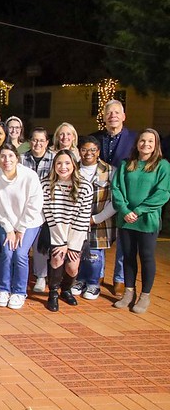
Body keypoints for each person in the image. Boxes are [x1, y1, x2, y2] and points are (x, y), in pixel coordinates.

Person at [111, 129, 170, 314]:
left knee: (146, 257)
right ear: (137, 143)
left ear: (156, 144)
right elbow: (116, 188)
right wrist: (125, 210)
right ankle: (128, 292)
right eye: (142, 140)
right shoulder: (126, 164)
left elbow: (162, 193)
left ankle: (144, 295)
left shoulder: (162, 166)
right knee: (127, 256)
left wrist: (138, 210)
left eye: (150, 141)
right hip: (126, 219)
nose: (146, 144)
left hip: (147, 220)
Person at [0, 144, 44, 310]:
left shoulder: (29, 176)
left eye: (10, 156)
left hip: (29, 222)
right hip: (6, 223)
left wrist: (21, 229)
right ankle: (4, 289)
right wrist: (9, 229)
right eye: (3, 156)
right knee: (7, 252)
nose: (6, 160)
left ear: (17, 158)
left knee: (20, 254)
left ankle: (19, 291)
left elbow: (35, 204)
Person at [92, 100, 138, 296]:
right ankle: (98, 272)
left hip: (125, 195)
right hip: (101, 195)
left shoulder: (134, 138)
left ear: (124, 116)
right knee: (99, 234)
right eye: (109, 112)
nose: (113, 115)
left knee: (123, 239)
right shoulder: (95, 138)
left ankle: (119, 278)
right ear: (104, 116)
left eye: (117, 112)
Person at [41, 150, 93, 311]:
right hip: (55, 232)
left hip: (76, 233)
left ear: (74, 165)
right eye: (59, 163)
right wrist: (61, 242)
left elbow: (83, 218)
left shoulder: (85, 186)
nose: (63, 167)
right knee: (57, 259)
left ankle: (66, 289)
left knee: (72, 267)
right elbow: (49, 214)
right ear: (54, 166)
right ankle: (53, 293)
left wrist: (71, 245)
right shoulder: (45, 184)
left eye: (67, 163)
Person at [73, 136, 116, 300]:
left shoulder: (110, 171)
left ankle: (93, 283)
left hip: (99, 222)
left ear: (98, 152)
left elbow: (114, 200)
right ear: (79, 151)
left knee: (94, 254)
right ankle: (80, 280)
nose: (88, 153)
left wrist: (96, 218)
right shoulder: (72, 169)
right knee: (79, 251)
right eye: (84, 150)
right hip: (76, 220)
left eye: (92, 150)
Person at [20, 127, 56, 293]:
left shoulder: (55, 159)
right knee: (23, 244)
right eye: (35, 140)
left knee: (40, 244)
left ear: (47, 142)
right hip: (24, 208)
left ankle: (41, 277)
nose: (38, 144)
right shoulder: (21, 159)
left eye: (41, 140)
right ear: (30, 141)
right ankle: (21, 275)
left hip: (47, 208)